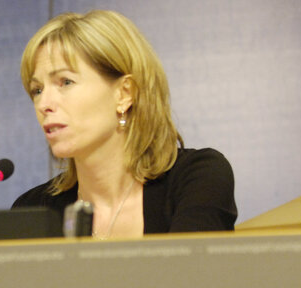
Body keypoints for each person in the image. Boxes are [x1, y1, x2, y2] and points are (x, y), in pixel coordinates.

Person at [12, 10, 237, 237]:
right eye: (37, 90)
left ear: (124, 93)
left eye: (65, 82)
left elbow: (187, 271)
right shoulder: (32, 210)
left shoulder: (197, 178)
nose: (44, 104)